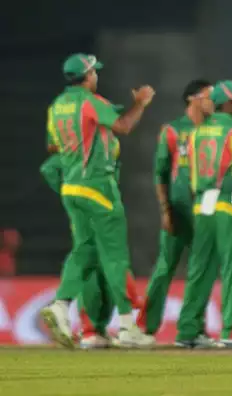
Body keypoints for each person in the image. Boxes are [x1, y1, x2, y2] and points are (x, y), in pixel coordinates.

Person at [40, 53, 155, 348]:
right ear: (88, 75)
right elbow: (124, 127)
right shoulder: (90, 102)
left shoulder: (57, 107)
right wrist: (140, 103)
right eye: (95, 73)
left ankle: (62, 305)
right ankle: (128, 326)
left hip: (71, 187)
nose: (97, 77)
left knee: (85, 250)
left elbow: (53, 145)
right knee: (115, 256)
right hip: (97, 187)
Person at [135, 79, 221, 348]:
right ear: (192, 98)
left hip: (205, 210)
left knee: (202, 270)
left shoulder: (216, 129)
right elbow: (160, 174)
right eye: (208, 96)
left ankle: (194, 328)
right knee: (165, 267)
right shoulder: (172, 130)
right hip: (178, 210)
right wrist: (165, 210)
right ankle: (144, 328)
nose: (213, 102)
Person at [40, 151, 142, 349]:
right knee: (94, 268)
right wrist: (69, 191)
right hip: (93, 214)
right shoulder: (80, 152)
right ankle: (90, 330)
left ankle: (100, 329)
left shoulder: (108, 148)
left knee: (106, 272)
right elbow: (49, 168)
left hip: (98, 212)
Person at [183, 80, 232, 347]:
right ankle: (231, 332)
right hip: (230, 204)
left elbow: (192, 176)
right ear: (227, 103)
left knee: (199, 269)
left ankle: (188, 331)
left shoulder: (197, 132)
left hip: (202, 205)